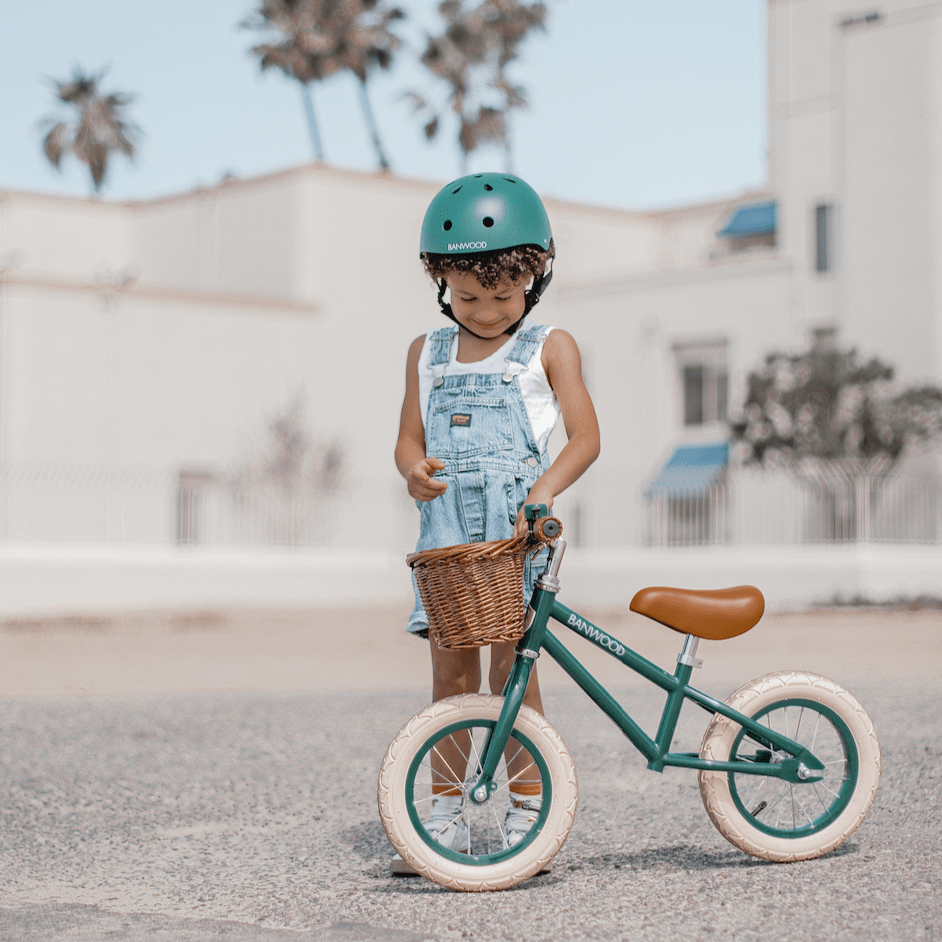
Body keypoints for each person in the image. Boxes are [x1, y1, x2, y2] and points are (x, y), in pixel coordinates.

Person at [394, 172, 600, 855]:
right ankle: (445, 815)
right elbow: (408, 442)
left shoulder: (550, 347)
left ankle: (529, 813)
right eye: (468, 295)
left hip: (515, 535)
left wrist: (544, 487)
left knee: (517, 672)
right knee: (451, 679)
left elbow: (586, 438)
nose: (483, 311)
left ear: (534, 276)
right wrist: (414, 471)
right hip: (450, 535)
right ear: (442, 281)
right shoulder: (427, 354)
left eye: (501, 295)